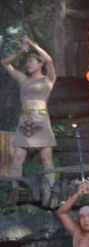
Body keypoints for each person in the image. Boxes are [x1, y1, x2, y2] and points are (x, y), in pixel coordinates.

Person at [2, 36, 57, 186]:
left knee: (47, 160)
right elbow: (5, 63)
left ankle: (49, 189)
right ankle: (13, 189)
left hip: (42, 121)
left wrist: (33, 44)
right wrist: (21, 51)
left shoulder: (48, 79)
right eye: (26, 62)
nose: (27, 64)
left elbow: (50, 61)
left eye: (31, 61)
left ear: (40, 64)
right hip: (25, 120)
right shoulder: (23, 79)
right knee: (18, 159)